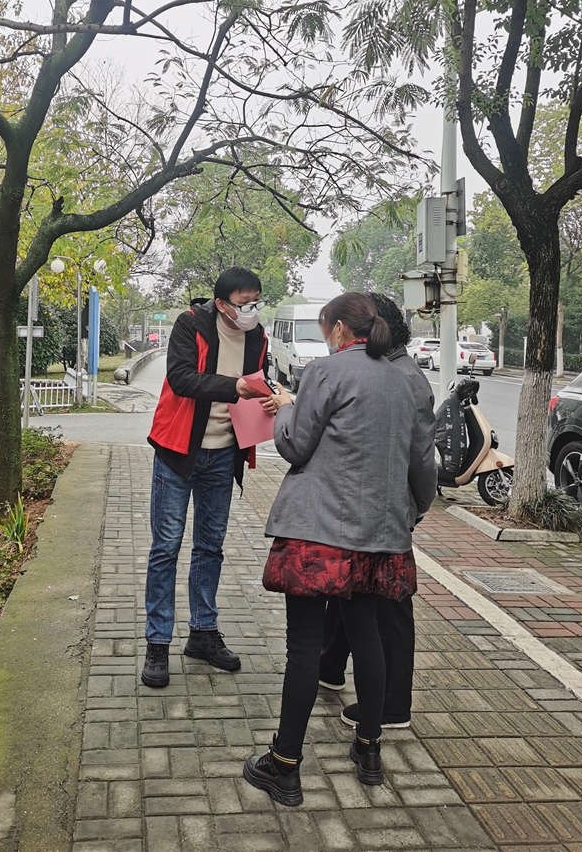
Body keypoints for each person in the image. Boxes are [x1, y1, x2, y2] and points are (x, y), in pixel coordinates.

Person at [242, 293, 437, 805]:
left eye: (325, 326)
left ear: (338, 330)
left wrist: (286, 409)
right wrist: (413, 510)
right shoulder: (407, 380)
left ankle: (285, 765)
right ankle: (369, 750)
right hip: (380, 533)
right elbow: (421, 462)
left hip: (319, 532)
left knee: (304, 646)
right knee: (367, 636)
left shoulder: (325, 372)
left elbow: (295, 445)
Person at [142, 266, 273, 689]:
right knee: (166, 547)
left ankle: (202, 633)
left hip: (224, 454)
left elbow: (258, 382)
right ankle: (157, 642)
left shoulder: (258, 337)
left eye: (256, 302)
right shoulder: (191, 325)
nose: (251, 310)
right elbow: (181, 379)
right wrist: (236, 387)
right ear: (221, 304)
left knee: (210, 547)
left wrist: (269, 398)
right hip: (179, 451)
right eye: (243, 303)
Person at [318, 293, 436, 732]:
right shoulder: (383, 369)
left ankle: (392, 705)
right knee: (349, 589)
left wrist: (417, 506)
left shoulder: (404, 378)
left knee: (390, 606)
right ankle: (329, 667)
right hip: (365, 505)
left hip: (390, 508)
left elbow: (421, 457)